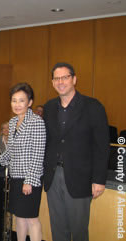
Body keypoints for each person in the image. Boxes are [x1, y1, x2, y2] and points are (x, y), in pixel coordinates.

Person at [43, 62, 110, 241]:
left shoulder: (93, 106)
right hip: (53, 176)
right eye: (56, 78)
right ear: (52, 82)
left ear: (74, 79)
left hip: (80, 177)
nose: (60, 82)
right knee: (57, 229)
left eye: (65, 77)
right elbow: (47, 141)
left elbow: (102, 146)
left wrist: (99, 179)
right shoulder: (48, 107)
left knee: (79, 231)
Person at [0, 83, 46, 241]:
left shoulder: (36, 122)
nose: (17, 104)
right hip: (16, 177)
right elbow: (11, 150)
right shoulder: (13, 122)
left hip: (30, 179)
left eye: (21, 100)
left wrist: (29, 181)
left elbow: (38, 154)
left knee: (31, 219)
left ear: (29, 102)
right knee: (19, 218)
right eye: (14, 100)